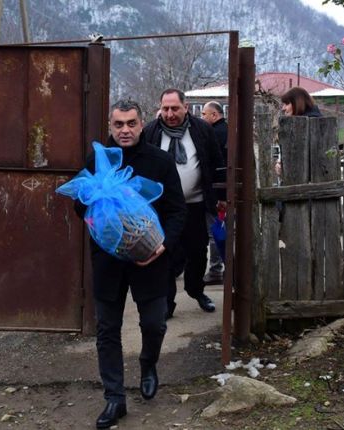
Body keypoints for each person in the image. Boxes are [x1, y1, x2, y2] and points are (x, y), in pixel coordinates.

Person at [73, 100, 187, 429]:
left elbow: (177, 210)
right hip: (108, 261)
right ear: (110, 126)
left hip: (150, 259)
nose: (125, 130)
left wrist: (163, 245)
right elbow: (80, 210)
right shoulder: (97, 159)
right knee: (108, 330)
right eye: (119, 124)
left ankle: (148, 363)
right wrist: (95, 201)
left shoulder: (160, 161)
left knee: (155, 324)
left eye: (131, 123)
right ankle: (114, 399)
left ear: (141, 125)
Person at [143, 89, 225, 318]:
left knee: (197, 253)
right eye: (166, 108)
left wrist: (221, 197)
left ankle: (196, 290)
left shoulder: (202, 130)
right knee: (166, 255)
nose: (170, 114)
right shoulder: (150, 131)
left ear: (186, 107)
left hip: (195, 204)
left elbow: (217, 162)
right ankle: (167, 303)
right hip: (163, 209)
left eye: (175, 108)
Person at [200, 101, 228, 284]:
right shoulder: (227, 130)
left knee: (215, 232)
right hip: (222, 190)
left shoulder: (215, 134)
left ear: (214, 115)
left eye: (204, 114)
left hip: (217, 191)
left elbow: (215, 165)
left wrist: (220, 196)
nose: (202, 118)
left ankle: (216, 269)